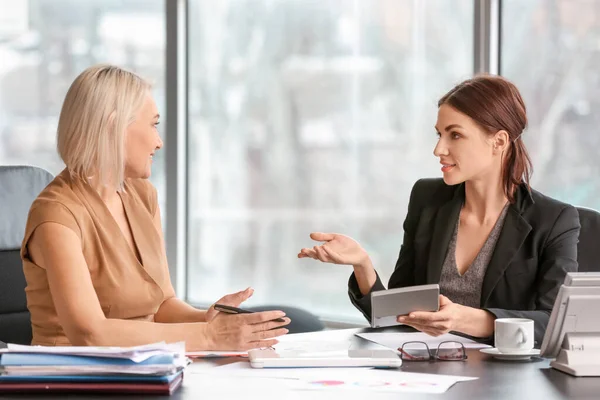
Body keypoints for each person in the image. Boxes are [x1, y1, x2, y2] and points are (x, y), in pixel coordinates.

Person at [21, 64, 290, 351]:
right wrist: (210, 337)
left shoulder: (141, 196)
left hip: (144, 366)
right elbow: (89, 334)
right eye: (153, 124)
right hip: (72, 379)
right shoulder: (56, 215)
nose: (158, 142)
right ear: (114, 126)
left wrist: (209, 321)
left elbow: (161, 304)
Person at [298, 75, 580, 346]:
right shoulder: (427, 199)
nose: (438, 149)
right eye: (439, 134)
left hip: (504, 383)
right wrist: (362, 265)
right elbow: (397, 315)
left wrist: (464, 319)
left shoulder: (553, 221)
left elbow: (553, 324)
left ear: (499, 141)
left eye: (455, 135)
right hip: (426, 374)